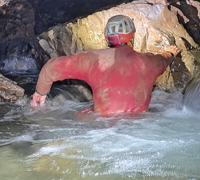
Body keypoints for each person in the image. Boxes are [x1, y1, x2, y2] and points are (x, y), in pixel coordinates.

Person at [30, 14, 181, 115]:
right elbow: (164, 59)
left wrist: (40, 93)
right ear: (132, 37)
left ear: (107, 38)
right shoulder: (149, 62)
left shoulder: (94, 60)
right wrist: (171, 52)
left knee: (83, 115)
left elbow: (51, 67)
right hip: (138, 128)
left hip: (102, 129)